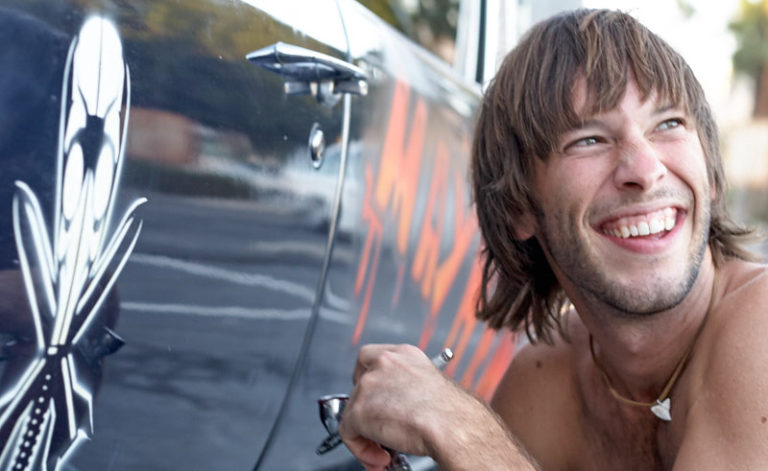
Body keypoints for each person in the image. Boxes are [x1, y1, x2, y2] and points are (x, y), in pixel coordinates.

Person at [338, 8, 768, 470]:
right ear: (519, 206)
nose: (645, 170)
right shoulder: (544, 382)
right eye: (589, 139)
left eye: (669, 124)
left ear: (710, 172)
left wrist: (459, 428)